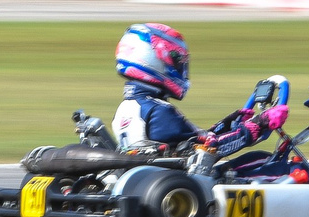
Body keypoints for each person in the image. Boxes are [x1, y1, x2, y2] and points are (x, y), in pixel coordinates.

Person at [109, 23, 290, 159]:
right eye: (176, 59)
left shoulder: (130, 107)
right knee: (257, 160)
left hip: (159, 178)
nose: (180, 66)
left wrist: (231, 122)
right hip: (183, 182)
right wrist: (259, 124)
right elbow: (211, 148)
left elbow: (195, 140)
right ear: (151, 59)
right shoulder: (159, 111)